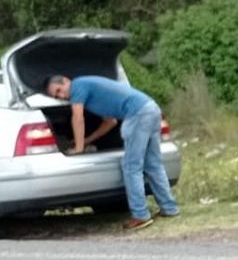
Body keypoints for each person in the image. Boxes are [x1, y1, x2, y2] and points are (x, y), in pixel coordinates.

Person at [43, 74, 179, 230]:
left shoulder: (78, 86)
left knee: (131, 167)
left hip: (137, 114)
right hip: (151, 108)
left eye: (59, 90)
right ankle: (169, 208)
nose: (62, 96)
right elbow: (110, 122)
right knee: (153, 164)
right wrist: (87, 141)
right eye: (57, 95)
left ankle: (140, 215)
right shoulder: (92, 90)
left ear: (66, 81)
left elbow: (77, 118)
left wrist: (79, 148)